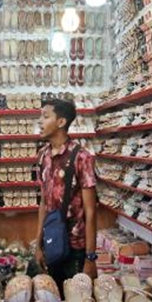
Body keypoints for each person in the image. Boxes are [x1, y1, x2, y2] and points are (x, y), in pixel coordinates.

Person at [35, 98, 99, 288]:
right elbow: (43, 204)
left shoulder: (82, 157)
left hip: (76, 247)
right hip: (52, 241)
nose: (40, 121)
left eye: (45, 116)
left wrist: (91, 257)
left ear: (61, 122)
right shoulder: (42, 156)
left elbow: (91, 211)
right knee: (53, 299)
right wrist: (38, 245)